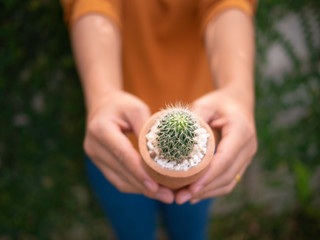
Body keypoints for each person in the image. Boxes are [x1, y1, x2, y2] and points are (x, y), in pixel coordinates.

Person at [61, 0, 258, 239]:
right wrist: (102, 96)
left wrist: (238, 91)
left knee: (191, 232)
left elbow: (226, 4)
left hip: (201, 149)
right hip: (115, 140)